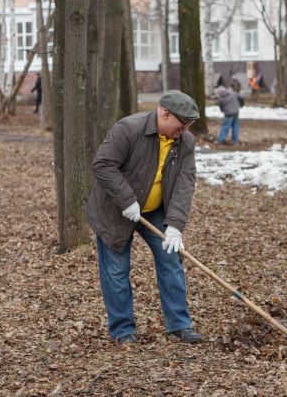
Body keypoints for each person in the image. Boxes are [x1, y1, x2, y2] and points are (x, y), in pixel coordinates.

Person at [86, 90, 202, 346]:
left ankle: (179, 325)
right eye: (182, 123)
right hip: (115, 209)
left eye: (189, 124)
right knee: (116, 271)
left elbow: (185, 183)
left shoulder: (185, 142)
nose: (185, 129)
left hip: (155, 210)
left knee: (171, 260)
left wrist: (175, 226)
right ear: (164, 113)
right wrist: (127, 199)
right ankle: (123, 331)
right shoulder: (128, 129)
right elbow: (103, 165)